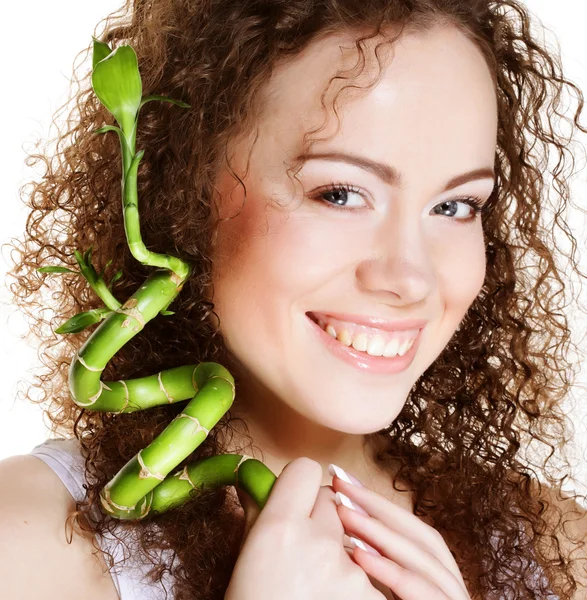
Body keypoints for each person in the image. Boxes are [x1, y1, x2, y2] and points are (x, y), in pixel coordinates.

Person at [1, 0, 586, 598]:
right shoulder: (25, 547)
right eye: (339, 193)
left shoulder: (556, 547)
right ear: (182, 193)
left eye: (456, 206)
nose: (411, 277)